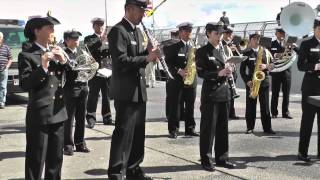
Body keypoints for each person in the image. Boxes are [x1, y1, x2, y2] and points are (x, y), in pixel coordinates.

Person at [107, 0, 160, 179]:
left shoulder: (136, 31)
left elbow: (138, 56)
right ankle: (116, 173)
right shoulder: (118, 31)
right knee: (123, 134)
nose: (143, 14)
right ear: (129, 9)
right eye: (140, 10)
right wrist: (146, 58)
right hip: (125, 91)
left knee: (138, 134)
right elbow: (121, 61)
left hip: (139, 90)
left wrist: (151, 53)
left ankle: (133, 168)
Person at [18, 15, 69, 180]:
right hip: (40, 115)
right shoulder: (27, 55)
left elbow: (75, 78)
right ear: (37, 31)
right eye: (49, 28)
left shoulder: (57, 51)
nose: (53, 31)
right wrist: (43, 66)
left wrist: (64, 62)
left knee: (55, 161)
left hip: (58, 112)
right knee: (36, 159)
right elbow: (25, 84)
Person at [196, 22, 236, 172]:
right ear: (208, 34)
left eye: (221, 34)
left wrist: (231, 68)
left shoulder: (224, 49)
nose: (220, 37)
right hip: (211, 94)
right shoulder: (202, 51)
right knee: (208, 129)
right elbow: (201, 72)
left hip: (225, 93)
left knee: (222, 129)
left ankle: (222, 158)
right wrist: (217, 73)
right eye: (216, 34)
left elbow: (230, 67)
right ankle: (206, 160)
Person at [164, 22, 198, 139]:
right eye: (186, 31)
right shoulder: (172, 47)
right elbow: (168, 63)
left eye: (190, 31)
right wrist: (179, 71)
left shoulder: (193, 48)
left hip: (191, 81)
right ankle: (173, 130)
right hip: (177, 81)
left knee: (190, 106)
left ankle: (190, 129)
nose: (189, 33)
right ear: (180, 32)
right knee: (175, 106)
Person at [240, 32, 276, 134]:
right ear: (250, 40)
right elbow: (242, 71)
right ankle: (250, 127)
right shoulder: (246, 53)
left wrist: (266, 66)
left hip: (264, 82)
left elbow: (273, 65)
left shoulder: (266, 51)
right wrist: (247, 81)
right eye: (255, 38)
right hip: (252, 83)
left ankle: (267, 128)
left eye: (258, 38)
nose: (257, 40)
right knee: (251, 106)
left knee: (265, 107)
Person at [62, 30, 90, 156]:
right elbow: (67, 69)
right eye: (74, 38)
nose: (77, 41)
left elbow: (90, 65)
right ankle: (68, 144)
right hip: (70, 88)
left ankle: (80, 143)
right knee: (69, 119)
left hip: (83, 87)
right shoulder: (63, 53)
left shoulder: (81, 51)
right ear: (67, 40)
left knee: (81, 117)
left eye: (78, 38)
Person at [297, 18, 320, 162]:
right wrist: (315, 67)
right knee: (307, 122)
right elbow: (300, 65)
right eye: (319, 28)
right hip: (310, 88)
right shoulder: (306, 44)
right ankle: (302, 152)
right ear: (315, 29)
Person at [84, 17, 113, 128]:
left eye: (102, 25)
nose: (100, 27)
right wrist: (100, 40)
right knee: (93, 95)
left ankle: (107, 116)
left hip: (106, 70)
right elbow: (88, 48)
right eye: (98, 25)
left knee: (106, 95)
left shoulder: (108, 38)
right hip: (95, 71)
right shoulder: (89, 38)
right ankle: (91, 117)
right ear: (93, 27)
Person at [269, 27, 293, 119]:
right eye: (280, 32)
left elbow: (292, 55)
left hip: (287, 72)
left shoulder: (289, 44)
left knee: (286, 93)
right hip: (276, 72)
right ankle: (274, 112)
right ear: (276, 34)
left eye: (283, 32)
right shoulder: (272, 44)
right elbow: (270, 57)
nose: (282, 34)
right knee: (275, 93)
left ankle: (285, 112)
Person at [222, 26, 239, 119]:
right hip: (226, 72)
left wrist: (236, 51)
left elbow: (237, 58)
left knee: (233, 93)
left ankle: (232, 113)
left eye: (230, 34)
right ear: (223, 34)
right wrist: (229, 48)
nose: (229, 35)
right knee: (227, 94)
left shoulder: (233, 45)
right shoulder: (221, 44)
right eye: (227, 33)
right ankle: (227, 113)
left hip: (233, 72)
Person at [0, 32, 12, 109]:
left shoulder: (6, 47)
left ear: (2, 39)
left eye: (0, 38)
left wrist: (7, 66)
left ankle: (1, 102)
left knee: (3, 86)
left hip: (3, 70)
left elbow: (10, 58)